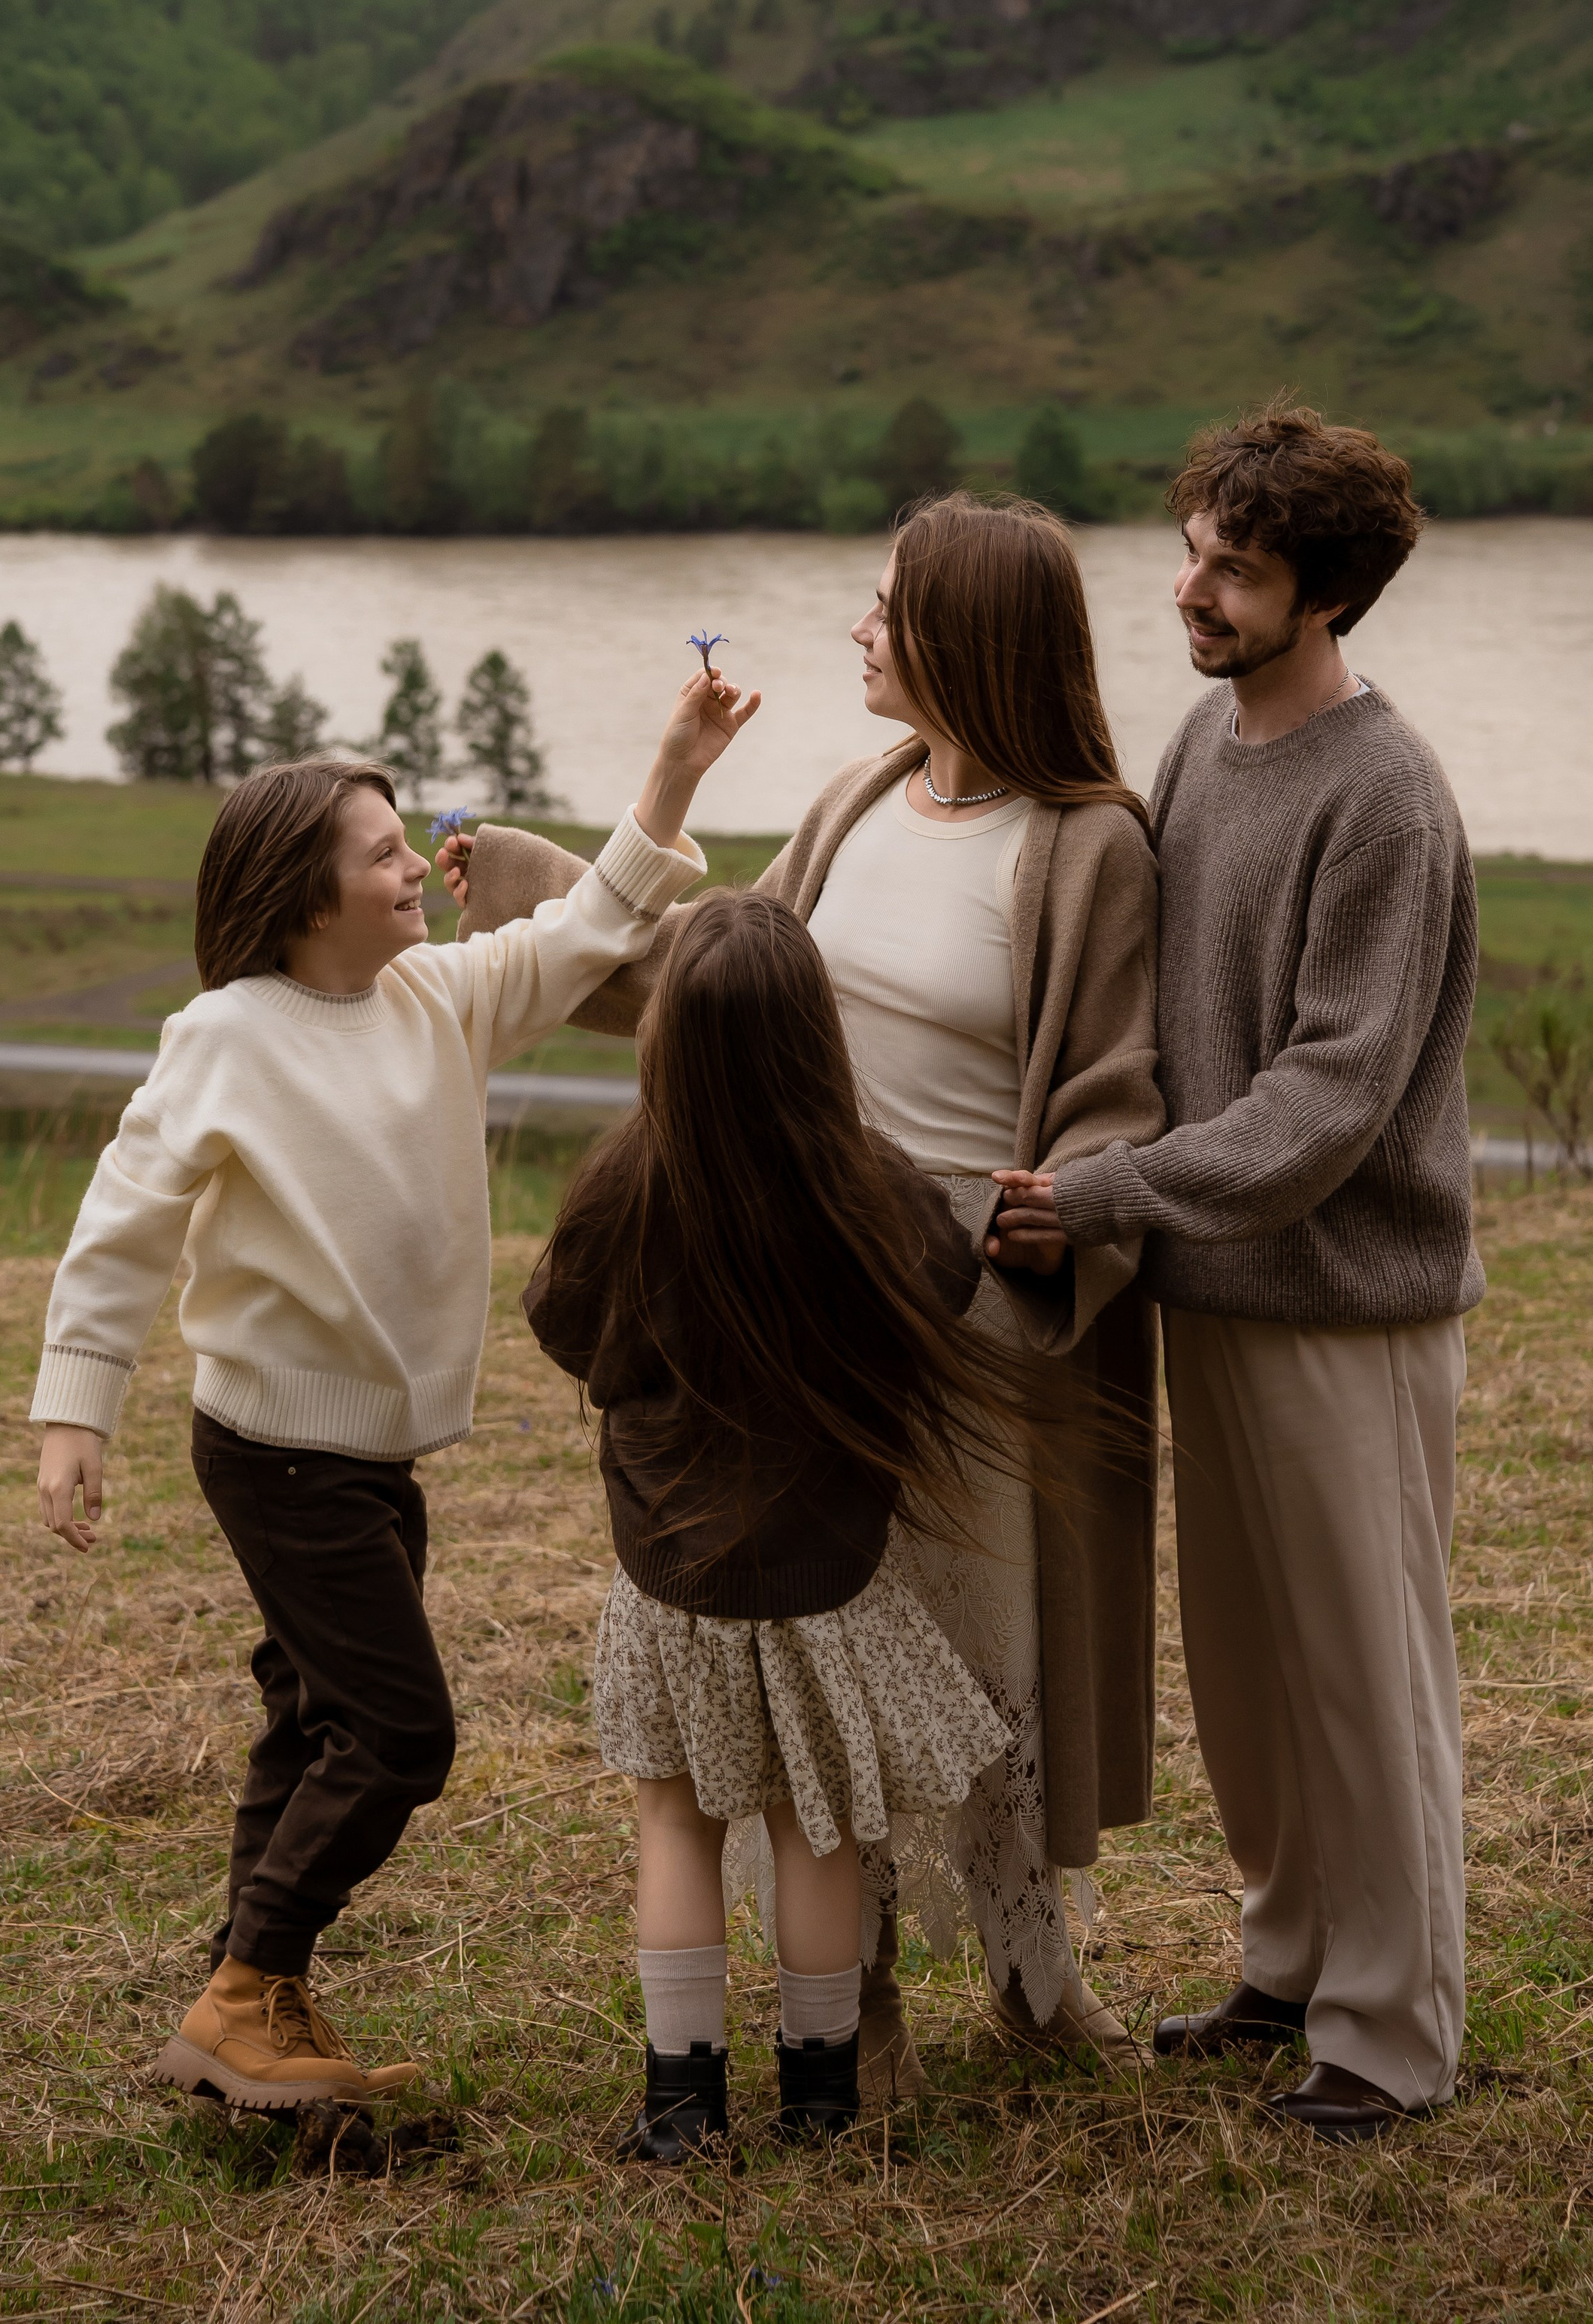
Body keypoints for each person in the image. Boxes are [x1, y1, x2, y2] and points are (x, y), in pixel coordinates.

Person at [445, 495, 1164, 2097]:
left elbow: (1119, 1093)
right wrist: (519, 878)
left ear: (966, 639)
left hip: (975, 1307)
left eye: (885, 609)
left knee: (989, 1666)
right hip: (814, 1311)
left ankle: (1034, 1980)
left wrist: (1070, 1221)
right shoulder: (855, 799)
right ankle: (859, 2002)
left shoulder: (1089, 845)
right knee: (833, 1664)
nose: (857, 630)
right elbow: (715, 976)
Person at [29, 668, 755, 2111]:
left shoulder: (438, 997)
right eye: (383, 851)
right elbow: (121, 1226)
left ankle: (253, 2000)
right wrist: (74, 1407)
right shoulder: (224, 1036)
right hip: (272, 1451)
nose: (422, 862)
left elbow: (594, 924)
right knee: (401, 1732)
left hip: (374, 1460)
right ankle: (242, 1994)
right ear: (307, 899)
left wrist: (674, 765)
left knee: (310, 1719)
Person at [1003, 404, 1481, 2144]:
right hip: (1212, 1286)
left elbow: (1328, 1100)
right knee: (1250, 1667)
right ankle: (1285, 1956)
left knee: (1363, 1672)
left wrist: (1115, 1188)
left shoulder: (1384, 798)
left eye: (1237, 567)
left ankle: (1389, 2029)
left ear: (1327, 593)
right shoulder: (1206, 743)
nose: (1192, 588)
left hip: (1347, 1303)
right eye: (1193, 547)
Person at [523, 890, 1058, 2156]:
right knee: (818, 1828)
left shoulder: (622, 1184)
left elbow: (569, 1335)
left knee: (675, 1821)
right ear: (817, 1038)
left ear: (666, 1044)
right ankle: (822, 2103)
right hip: (831, 1586)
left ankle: (681, 2107)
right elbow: (945, 1284)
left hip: (673, 1587)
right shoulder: (870, 1189)